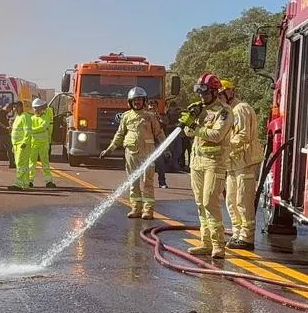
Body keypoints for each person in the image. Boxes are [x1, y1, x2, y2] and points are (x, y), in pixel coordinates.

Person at [178, 72, 234, 259]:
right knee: (200, 203)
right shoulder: (199, 109)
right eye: (199, 92)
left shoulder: (224, 111)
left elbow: (217, 135)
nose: (201, 96)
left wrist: (196, 128)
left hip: (214, 163)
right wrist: (191, 119)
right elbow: (187, 132)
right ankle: (205, 242)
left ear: (214, 91)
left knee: (210, 201)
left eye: (205, 92)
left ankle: (218, 244)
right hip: (197, 162)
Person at [100, 87, 165, 219]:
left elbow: (159, 133)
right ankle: (136, 208)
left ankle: (148, 210)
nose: (137, 102)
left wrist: (165, 149)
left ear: (144, 101)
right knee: (133, 181)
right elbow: (119, 134)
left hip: (148, 153)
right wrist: (109, 149)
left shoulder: (150, 116)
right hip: (131, 153)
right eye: (134, 100)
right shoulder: (126, 117)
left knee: (148, 182)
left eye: (139, 100)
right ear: (130, 102)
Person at [222, 79, 264, 250]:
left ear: (230, 92)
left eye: (220, 94)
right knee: (231, 199)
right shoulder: (227, 111)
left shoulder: (241, 109)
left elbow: (243, 135)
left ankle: (246, 237)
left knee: (243, 199)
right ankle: (237, 233)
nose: (219, 98)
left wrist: (223, 146)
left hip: (245, 161)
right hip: (232, 162)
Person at [27, 98, 57, 188]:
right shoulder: (31, 118)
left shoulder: (46, 118)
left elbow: (43, 127)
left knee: (45, 162)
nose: (36, 110)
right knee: (32, 163)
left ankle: (48, 181)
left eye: (38, 108)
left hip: (43, 144)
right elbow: (37, 128)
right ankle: (30, 180)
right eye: (35, 108)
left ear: (41, 108)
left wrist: (31, 131)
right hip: (33, 144)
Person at [8, 101, 32, 191]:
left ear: (21, 107)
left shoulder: (25, 116)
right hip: (16, 145)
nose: (15, 109)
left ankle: (18, 184)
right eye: (14, 107)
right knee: (22, 165)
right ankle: (25, 183)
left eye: (17, 107)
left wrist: (25, 142)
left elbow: (28, 130)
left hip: (22, 145)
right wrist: (13, 145)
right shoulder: (17, 117)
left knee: (20, 164)